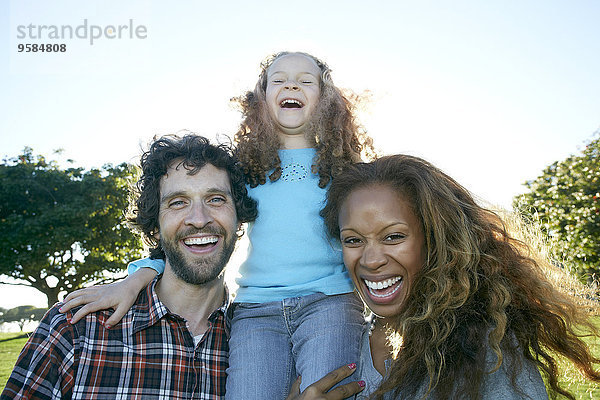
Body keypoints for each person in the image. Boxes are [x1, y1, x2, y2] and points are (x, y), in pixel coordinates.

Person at [60, 51, 376, 399]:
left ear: (325, 99)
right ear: (261, 98)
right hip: (257, 311)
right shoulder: (246, 168)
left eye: (305, 80)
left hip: (328, 302)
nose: (291, 84)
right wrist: (135, 279)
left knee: (326, 392)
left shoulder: (346, 171)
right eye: (279, 79)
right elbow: (195, 232)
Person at [314, 154, 600, 399]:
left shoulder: (485, 351)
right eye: (353, 240)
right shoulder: (336, 340)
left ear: (435, 241)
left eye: (393, 236)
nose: (371, 259)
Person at [1, 134, 258, 399]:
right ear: (155, 227)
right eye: (178, 202)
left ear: (239, 218)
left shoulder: (266, 338)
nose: (199, 219)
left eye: (216, 199)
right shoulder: (74, 329)